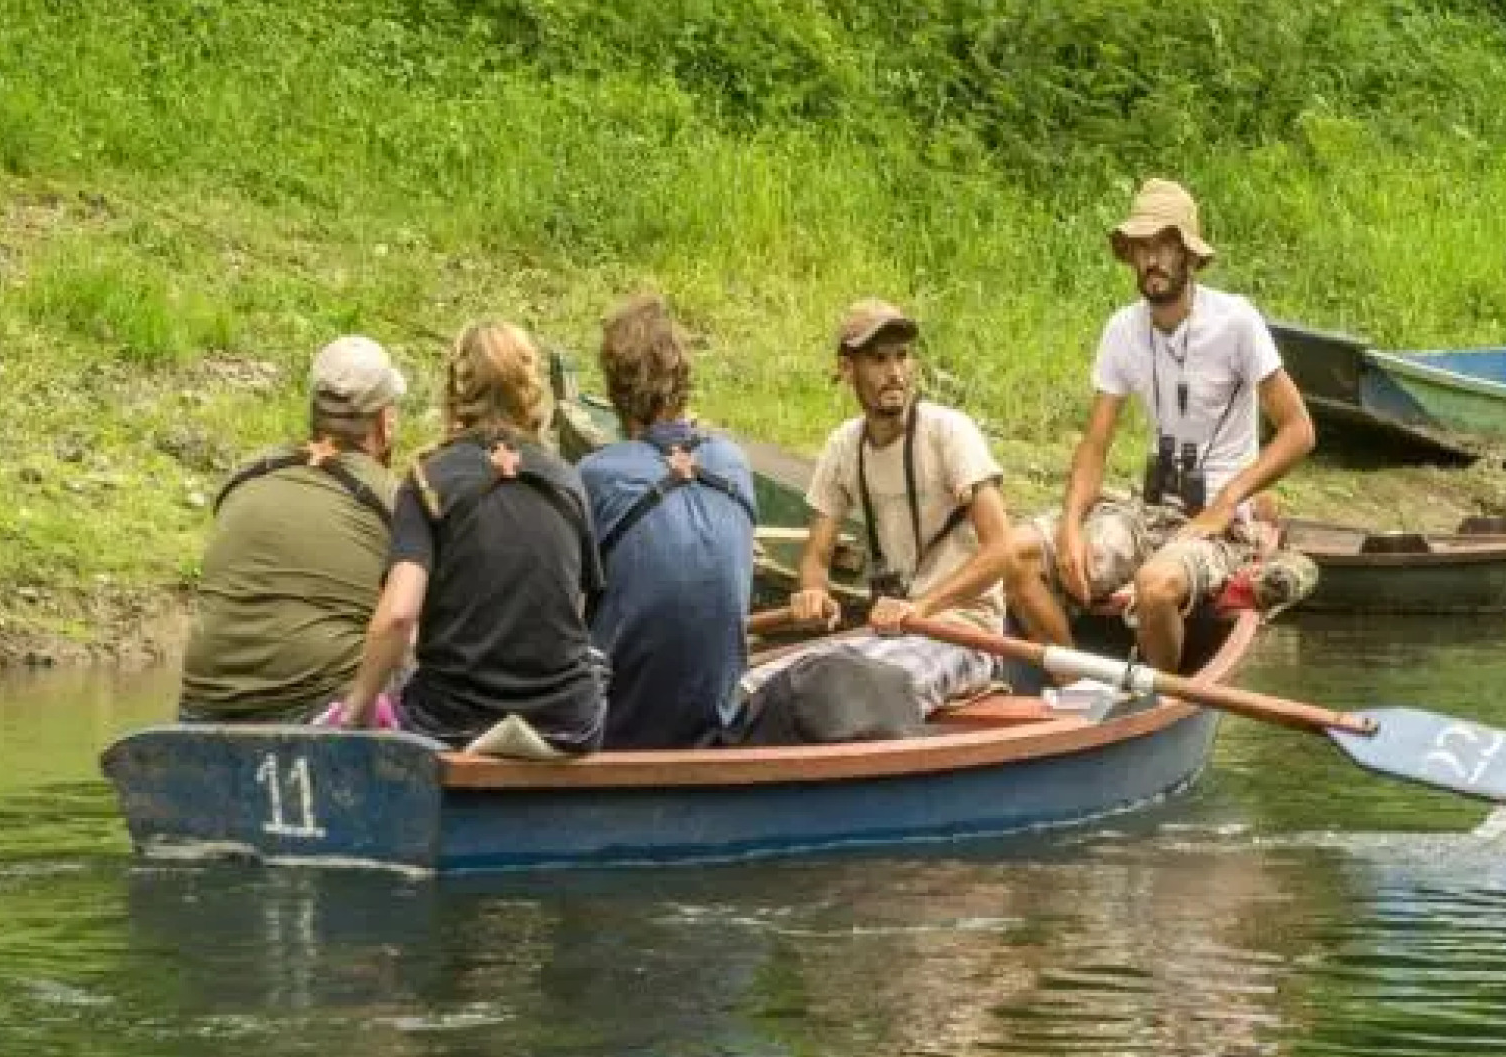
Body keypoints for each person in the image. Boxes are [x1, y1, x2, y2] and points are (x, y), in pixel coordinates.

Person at [930, 178, 1315, 672]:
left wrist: (1226, 502)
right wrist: (1070, 526)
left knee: (1155, 587)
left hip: (1217, 527)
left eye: (1165, 246)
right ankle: (1072, 682)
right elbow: (1095, 444)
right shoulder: (1123, 329)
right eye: (1142, 247)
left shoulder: (1236, 321)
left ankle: (1160, 701)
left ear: (1189, 255)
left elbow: (1299, 429)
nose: (1152, 260)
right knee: (1017, 555)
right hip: (1146, 512)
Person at [335, 321, 607, 753]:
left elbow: (400, 614)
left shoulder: (427, 480)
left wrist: (355, 710)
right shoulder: (568, 481)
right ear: (531, 388)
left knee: (398, 681)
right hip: (565, 725)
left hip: (452, 723)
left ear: (456, 389)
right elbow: (577, 608)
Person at [737, 299, 1013, 724]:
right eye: (879, 360)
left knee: (868, 700)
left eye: (902, 357)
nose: (895, 373)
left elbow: (1002, 552)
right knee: (753, 687)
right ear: (848, 370)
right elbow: (816, 556)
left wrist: (923, 608)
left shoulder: (949, 432)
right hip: (886, 631)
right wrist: (812, 590)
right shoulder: (843, 446)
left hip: (961, 632)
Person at [178, 335, 405, 722]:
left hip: (203, 706)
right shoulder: (397, 498)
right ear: (385, 422)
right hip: (321, 709)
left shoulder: (245, 476)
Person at [577, 294, 757, 749]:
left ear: (615, 386)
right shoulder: (733, 463)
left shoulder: (594, 476)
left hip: (622, 729)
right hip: (717, 724)